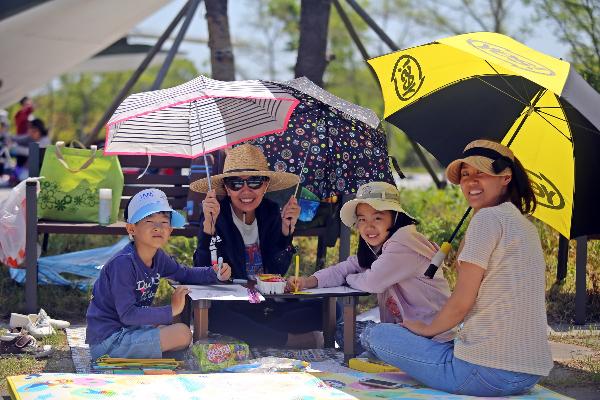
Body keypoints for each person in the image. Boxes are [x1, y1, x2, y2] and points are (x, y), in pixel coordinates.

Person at [360, 140, 553, 397]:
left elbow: (462, 301)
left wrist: (426, 330)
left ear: (505, 177)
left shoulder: (487, 220)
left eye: (481, 173)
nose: (471, 182)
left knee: (378, 335)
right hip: (528, 372)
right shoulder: (522, 225)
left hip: (486, 372)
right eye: (465, 175)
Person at [287, 181, 453, 349]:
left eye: (378, 217)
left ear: (394, 217)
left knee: (347, 333)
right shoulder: (380, 246)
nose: (369, 226)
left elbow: (371, 282)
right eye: (362, 220)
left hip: (433, 338)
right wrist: (307, 282)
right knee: (344, 331)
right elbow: (344, 268)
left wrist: (349, 278)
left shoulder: (404, 243)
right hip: (411, 332)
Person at [191, 143, 324, 348]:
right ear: (226, 188)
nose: (245, 191)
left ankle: (256, 335)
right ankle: (284, 339)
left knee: (328, 308)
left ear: (265, 186)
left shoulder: (270, 212)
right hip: (231, 303)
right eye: (235, 183)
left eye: (254, 182)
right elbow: (202, 272)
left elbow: (277, 270)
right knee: (215, 315)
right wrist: (208, 228)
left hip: (266, 303)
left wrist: (286, 232)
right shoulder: (216, 214)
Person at [85, 188, 231, 361]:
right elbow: (128, 314)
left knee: (173, 330)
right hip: (108, 341)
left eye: (164, 222)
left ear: (170, 230)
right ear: (132, 229)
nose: (158, 227)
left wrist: (214, 273)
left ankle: (152, 352)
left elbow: (183, 273)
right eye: (149, 221)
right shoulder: (123, 263)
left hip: (130, 330)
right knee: (183, 333)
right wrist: (172, 310)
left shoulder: (158, 257)